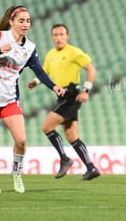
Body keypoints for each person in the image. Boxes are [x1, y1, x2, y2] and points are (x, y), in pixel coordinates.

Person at [0, 5, 65, 194]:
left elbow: (38, 70)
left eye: (28, 21)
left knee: (21, 140)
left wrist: (53, 86)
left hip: (10, 100)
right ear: (11, 22)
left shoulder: (29, 48)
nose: (25, 24)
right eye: (21, 21)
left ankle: (16, 173)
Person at [28, 24, 100, 180]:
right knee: (71, 136)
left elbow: (91, 69)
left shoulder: (74, 52)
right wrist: (35, 81)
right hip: (61, 95)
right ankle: (91, 168)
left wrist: (86, 91)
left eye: (61, 34)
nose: (58, 37)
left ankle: (65, 159)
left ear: (67, 36)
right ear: (52, 37)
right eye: (55, 34)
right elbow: (45, 72)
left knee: (46, 126)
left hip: (71, 94)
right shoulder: (51, 54)